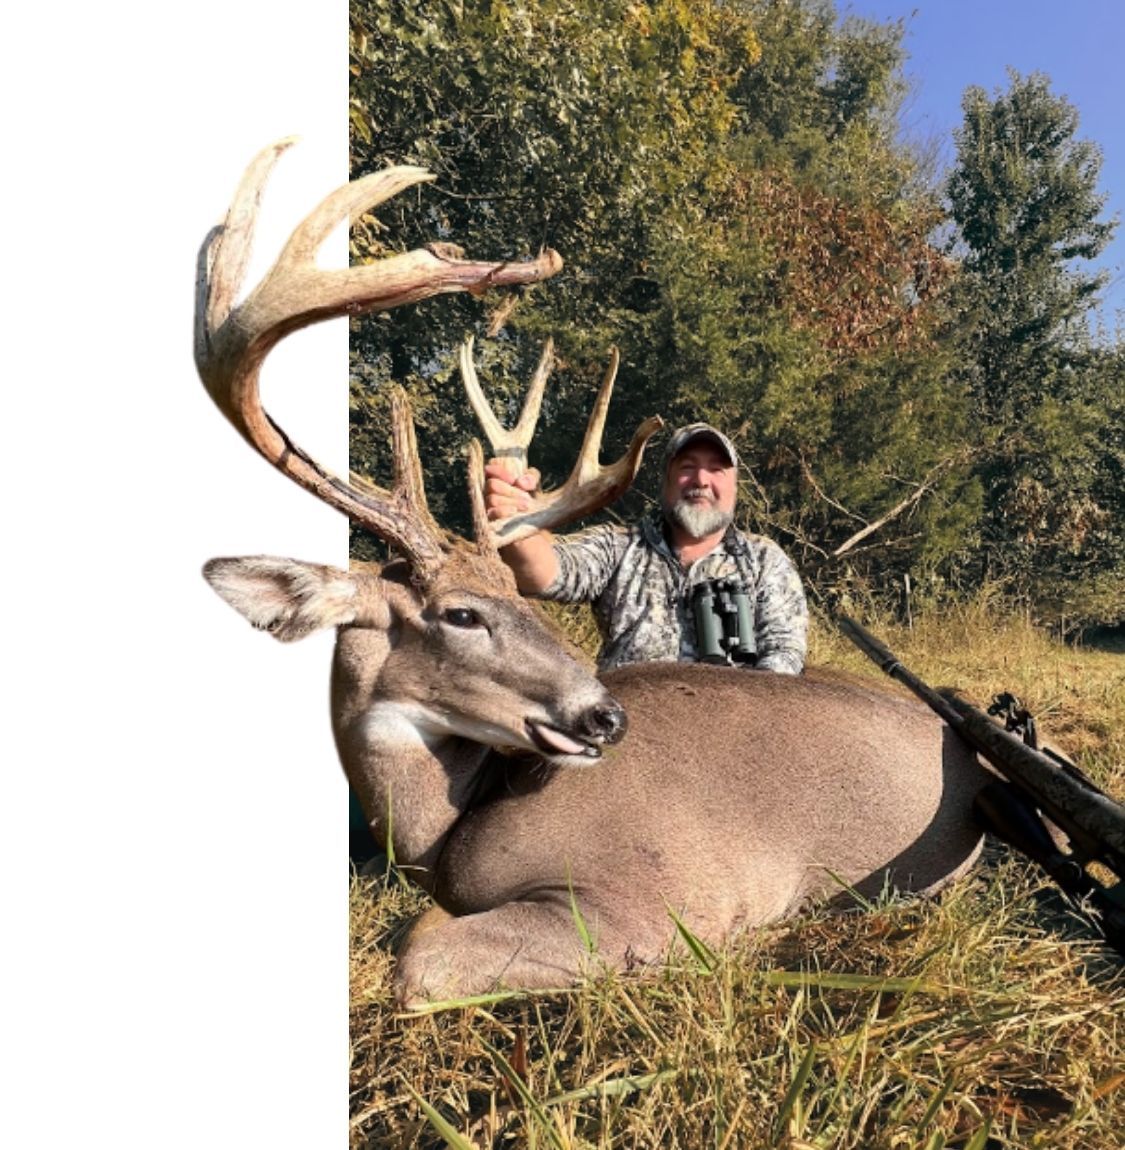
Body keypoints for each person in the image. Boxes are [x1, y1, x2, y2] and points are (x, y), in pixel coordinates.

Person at [484, 422, 808, 674]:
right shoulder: (621, 548)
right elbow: (545, 574)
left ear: (734, 486)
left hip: (732, 735)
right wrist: (517, 521)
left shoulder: (765, 561)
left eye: (716, 470)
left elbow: (784, 659)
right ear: (666, 481)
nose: (701, 480)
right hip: (630, 734)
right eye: (687, 467)